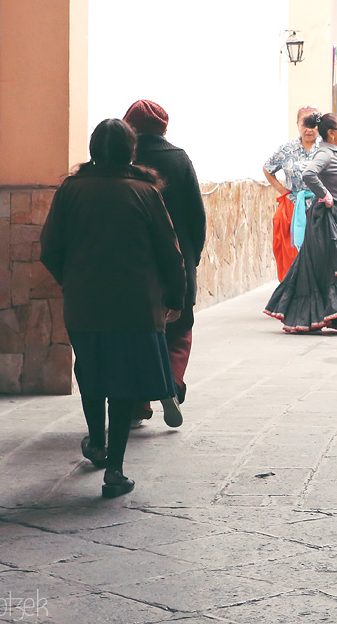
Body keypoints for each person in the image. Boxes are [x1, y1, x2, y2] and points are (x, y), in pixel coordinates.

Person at [39, 119, 185, 498]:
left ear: (91, 149)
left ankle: (98, 445)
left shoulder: (70, 191)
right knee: (124, 383)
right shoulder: (145, 192)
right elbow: (169, 252)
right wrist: (175, 298)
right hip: (135, 307)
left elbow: (49, 248)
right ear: (130, 151)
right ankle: (115, 471)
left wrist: (70, 280)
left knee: (91, 372)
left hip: (84, 304)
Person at [122, 100, 206, 429]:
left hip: (136, 257)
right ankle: (171, 382)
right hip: (177, 251)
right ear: (164, 127)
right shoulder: (179, 158)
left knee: (138, 331)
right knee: (180, 327)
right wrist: (192, 257)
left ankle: (137, 404)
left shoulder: (122, 158)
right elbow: (196, 215)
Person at [263, 112, 337, 334]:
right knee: (332, 264)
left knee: (334, 266)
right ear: (332, 134)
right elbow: (309, 173)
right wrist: (325, 195)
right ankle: (316, 315)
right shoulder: (324, 153)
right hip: (329, 217)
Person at [262, 105, 321, 281]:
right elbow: (267, 169)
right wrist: (283, 191)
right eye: (305, 123)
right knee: (290, 250)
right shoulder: (287, 148)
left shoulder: (326, 148)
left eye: (313, 124)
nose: (309, 129)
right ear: (297, 124)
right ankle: (294, 288)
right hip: (293, 205)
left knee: (320, 249)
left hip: (320, 206)